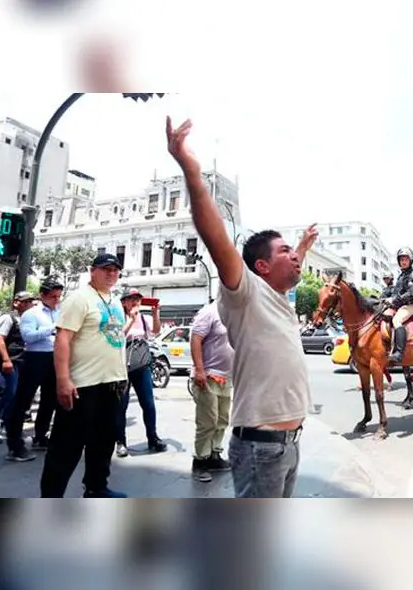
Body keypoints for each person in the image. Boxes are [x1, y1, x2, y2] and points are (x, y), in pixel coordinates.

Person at [166, 116, 319, 498]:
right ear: (261, 266)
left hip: (288, 444)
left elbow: (289, 269)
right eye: (285, 252)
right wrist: (190, 170)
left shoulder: (278, 300)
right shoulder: (244, 292)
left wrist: (300, 247)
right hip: (261, 448)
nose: (296, 259)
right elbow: (215, 235)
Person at [39, 254, 128, 498]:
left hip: (112, 384)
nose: (111, 274)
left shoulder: (115, 301)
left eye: (115, 270)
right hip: (83, 385)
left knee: (103, 443)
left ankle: (96, 488)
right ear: (93, 271)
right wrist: (63, 379)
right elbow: (63, 339)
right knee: (66, 448)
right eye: (106, 269)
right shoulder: (78, 299)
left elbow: (113, 337)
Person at [3, 278, 63, 460]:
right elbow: (28, 337)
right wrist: (52, 328)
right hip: (35, 358)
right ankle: (15, 445)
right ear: (42, 295)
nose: (56, 300)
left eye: (59, 296)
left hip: (54, 357)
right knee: (23, 401)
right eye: (53, 297)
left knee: (49, 400)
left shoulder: (59, 311)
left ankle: (40, 436)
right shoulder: (32, 314)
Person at [115, 288, 167, 457]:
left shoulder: (144, 319)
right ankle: (120, 441)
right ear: (124, 302)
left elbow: (156, 331)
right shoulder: (118, 317)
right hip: (122, 366)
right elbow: (117, 336)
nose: (135, 302)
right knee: (121, 405)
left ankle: (153, 438)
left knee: (148, 404)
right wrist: (130, 319)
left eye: (137, 299)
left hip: (141, 365)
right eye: (131, 299)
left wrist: (156, 313)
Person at [189, 300, 235, 482]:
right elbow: (195, 338)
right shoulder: (209, 311)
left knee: (223, 419)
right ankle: (200, 461)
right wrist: (199, 369)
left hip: (227, 377)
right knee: (207, 421)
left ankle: (214, 455)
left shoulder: (236, 312)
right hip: (207, 376)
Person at [0, 292, 36, 448]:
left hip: (21, 362)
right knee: (7, 393)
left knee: (15, 396)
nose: (30, 304)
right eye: (26, 301)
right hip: (9, 362)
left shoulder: (27, 319)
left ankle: (6, 425)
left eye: (30, 302)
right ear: (16, 302)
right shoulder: (8, 318)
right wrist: (6, 360)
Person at [383, 247, 413, 364]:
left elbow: (412, 294)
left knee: (397, 320)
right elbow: (396, 293)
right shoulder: (400, 276)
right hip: (400, 306)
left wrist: (393, 300)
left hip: (411, 305)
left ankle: (399, 353)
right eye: (401, 259)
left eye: (406, 259)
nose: (403, 261)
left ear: (411, 261)